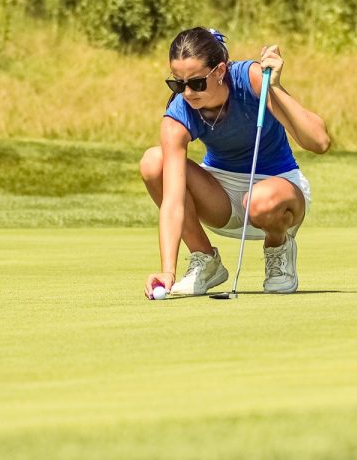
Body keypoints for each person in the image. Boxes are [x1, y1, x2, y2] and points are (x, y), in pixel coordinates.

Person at [140, 27, 330, 299]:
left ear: (219, 71)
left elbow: (319, 143)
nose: (188, 93)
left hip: (277, 191)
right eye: (178, 84)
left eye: (196, 83)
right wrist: (167, 270)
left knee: (259, 200)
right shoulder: (177, 116)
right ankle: (205, 260)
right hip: (220, 195)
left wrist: (274, 87)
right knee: (152, 161)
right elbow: (172, 200)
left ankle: (278, 248)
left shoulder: (251, 79)